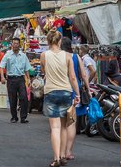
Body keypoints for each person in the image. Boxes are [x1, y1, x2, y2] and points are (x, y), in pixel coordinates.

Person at [41, 31, 81, 167]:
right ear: (59, 42)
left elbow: (44, 71)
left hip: (51, 92)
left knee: (55, 127)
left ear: (48, 41)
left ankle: (56, 158)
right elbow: (73, 77)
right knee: (64, 126)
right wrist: (78, 94)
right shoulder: (68, 56)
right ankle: (63, 155)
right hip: (66, 92)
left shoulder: (44, 55)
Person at [62, 38, 89, 161]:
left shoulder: (56, 56)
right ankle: (68, 151)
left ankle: (60, 152)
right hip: (74, 91)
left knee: (61, 124)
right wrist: (88, 89)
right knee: (71, 123)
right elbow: (83, 74)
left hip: (60, 90)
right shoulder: (76, 57)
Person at [0, 38, 32, 123]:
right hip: (11, 79)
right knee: (12, 99)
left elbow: (26, 69)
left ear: (19, 45)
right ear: (12, 44)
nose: (15, 45)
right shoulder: (8, 55)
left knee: (24, 97)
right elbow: (2, 66)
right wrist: (2, 77)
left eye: (17, 43)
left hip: (21, 79)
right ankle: (14, 117)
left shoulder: (23, 55)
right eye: (14, 43)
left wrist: (28, 80)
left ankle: (23, 117)